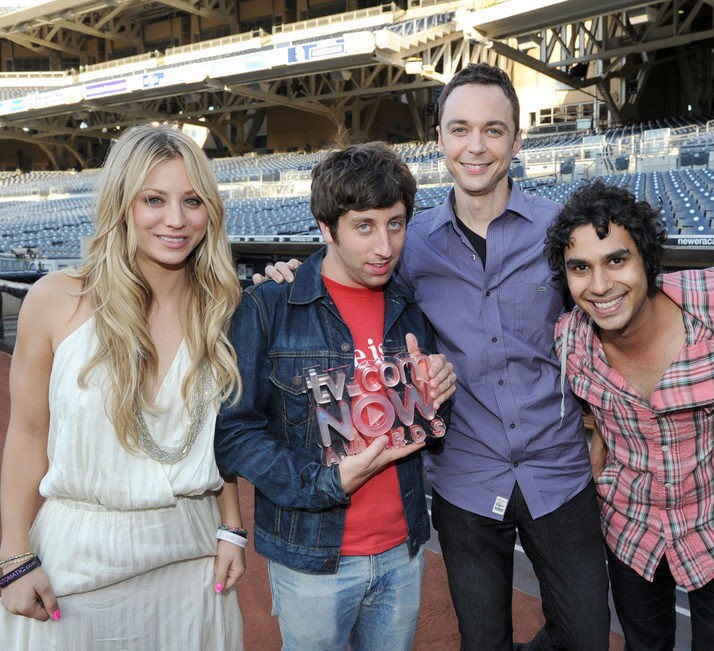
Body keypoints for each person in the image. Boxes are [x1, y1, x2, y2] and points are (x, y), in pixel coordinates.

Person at [260, 63, 611, 650]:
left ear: (517, 140)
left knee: (586, 635)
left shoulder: (560, 232)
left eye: (494, 130)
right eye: (460, 129)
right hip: (465, 477)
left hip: (559, 470)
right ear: (441, 139)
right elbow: (343, 263)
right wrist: (292, 273)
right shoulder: (405, 242)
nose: (476, 146)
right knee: (482, 640)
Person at [0, 123, 246, 649]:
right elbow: (25, 435)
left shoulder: (224, 308)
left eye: (193, 200)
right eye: (154, 199)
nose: (176, 220)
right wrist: (14, 556)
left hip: (195, 568)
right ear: (122, 203)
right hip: (76, 571)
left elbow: (225, 437)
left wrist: (232, 527)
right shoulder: (55, 300)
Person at [214, 142, 456, 650]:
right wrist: (325, 482)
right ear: (326, 229)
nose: (385, 245)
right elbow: (233, 435)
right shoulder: (269, 305)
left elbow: (428, 434)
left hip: (402, 552)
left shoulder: (410, 309)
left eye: (395, 223)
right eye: (364, 226)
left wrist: (439, 395)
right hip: (312, 559)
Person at [544, 179, 714, 650]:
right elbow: (597, 420)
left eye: (616, 260)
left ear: (648, 260)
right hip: (631, 532)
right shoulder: (570, 342)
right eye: (580, 267)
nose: (599, 285)